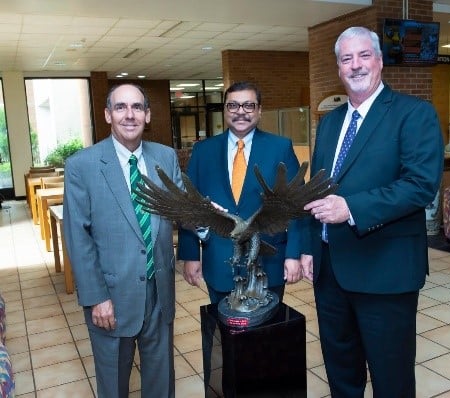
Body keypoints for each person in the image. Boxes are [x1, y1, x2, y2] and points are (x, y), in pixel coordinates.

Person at [301, 27, 444, 397]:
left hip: (386, 272)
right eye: (346, 59)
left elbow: (420, 185)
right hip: (330, 272)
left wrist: (351, 207)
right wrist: (306, 246)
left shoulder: (414, 114)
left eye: (364, 55)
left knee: (391, 378)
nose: (356, 65)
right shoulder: (330, 122)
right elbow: (317, 189)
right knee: (341, 373)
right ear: (338, 68)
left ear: (380, 61)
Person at [63, 83, 181, 397]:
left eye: (137, 107)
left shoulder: (165, 158)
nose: (129, 115)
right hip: (111, 299)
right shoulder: (82, 166)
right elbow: (78, 237)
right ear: (107, 114)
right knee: (114, 384)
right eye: (120, 107)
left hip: (159, 293)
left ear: (147, 114)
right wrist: (96, 297)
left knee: (161, 380)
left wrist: (211, 217)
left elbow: (182, 209)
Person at [177, 81, 302, 304]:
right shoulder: (203, 151)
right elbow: (190, 206)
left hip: (268, 264)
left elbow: (294, 206)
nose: (240, 112)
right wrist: (190, 255)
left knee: (268, 334)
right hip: (219, 261)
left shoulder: (280, 147)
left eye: (248, 105)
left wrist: (293, 254)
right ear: (225, 110)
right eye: (233, 105)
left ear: (259, 110)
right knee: (224, 333)